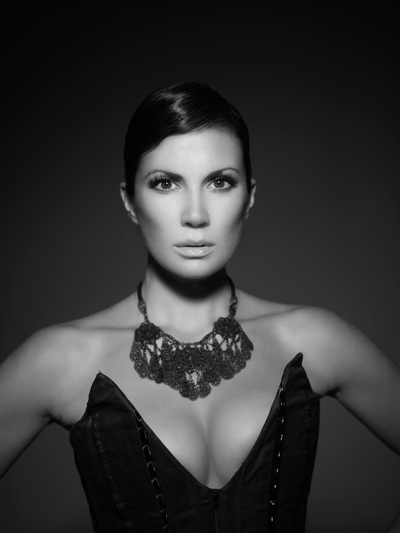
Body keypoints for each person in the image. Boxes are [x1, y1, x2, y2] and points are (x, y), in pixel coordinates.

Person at [0, 81, 399, 533]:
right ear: (130, 201)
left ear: (248, 197)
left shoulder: (312, 339)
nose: (195, 215)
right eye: (165, 183)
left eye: (220, 182)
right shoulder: (62, 358)